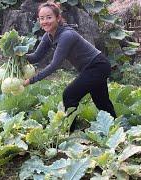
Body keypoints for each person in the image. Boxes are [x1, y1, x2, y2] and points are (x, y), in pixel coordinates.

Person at [24, 1, 117, 130]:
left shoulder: (66, 35)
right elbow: (36, 57)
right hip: (93, 67)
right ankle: (115, 127)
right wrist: (19, 55)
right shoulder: (48, 35)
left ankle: (70, 131)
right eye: (42, 18)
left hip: (98, 66)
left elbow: (55, 65)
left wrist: (31, 80)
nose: (45, 21)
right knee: (101, 101)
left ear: (58, 18)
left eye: (49, 17)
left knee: (69, 95)